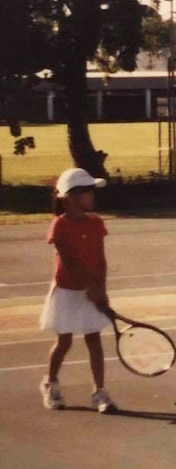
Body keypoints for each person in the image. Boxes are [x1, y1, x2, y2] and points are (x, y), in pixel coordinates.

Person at [39, 167, 118, 413]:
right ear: (71, 197)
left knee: (94, 340)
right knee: (64, 341)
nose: (93, 196)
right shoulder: (59, 226)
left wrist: (101, 290)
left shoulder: (96, 223)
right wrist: (90, 287)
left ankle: (100, 393)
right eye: (88, 192)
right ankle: (51, 383)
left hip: (92, 289)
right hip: (67, 291)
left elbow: (101, 259)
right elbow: (70, 261)